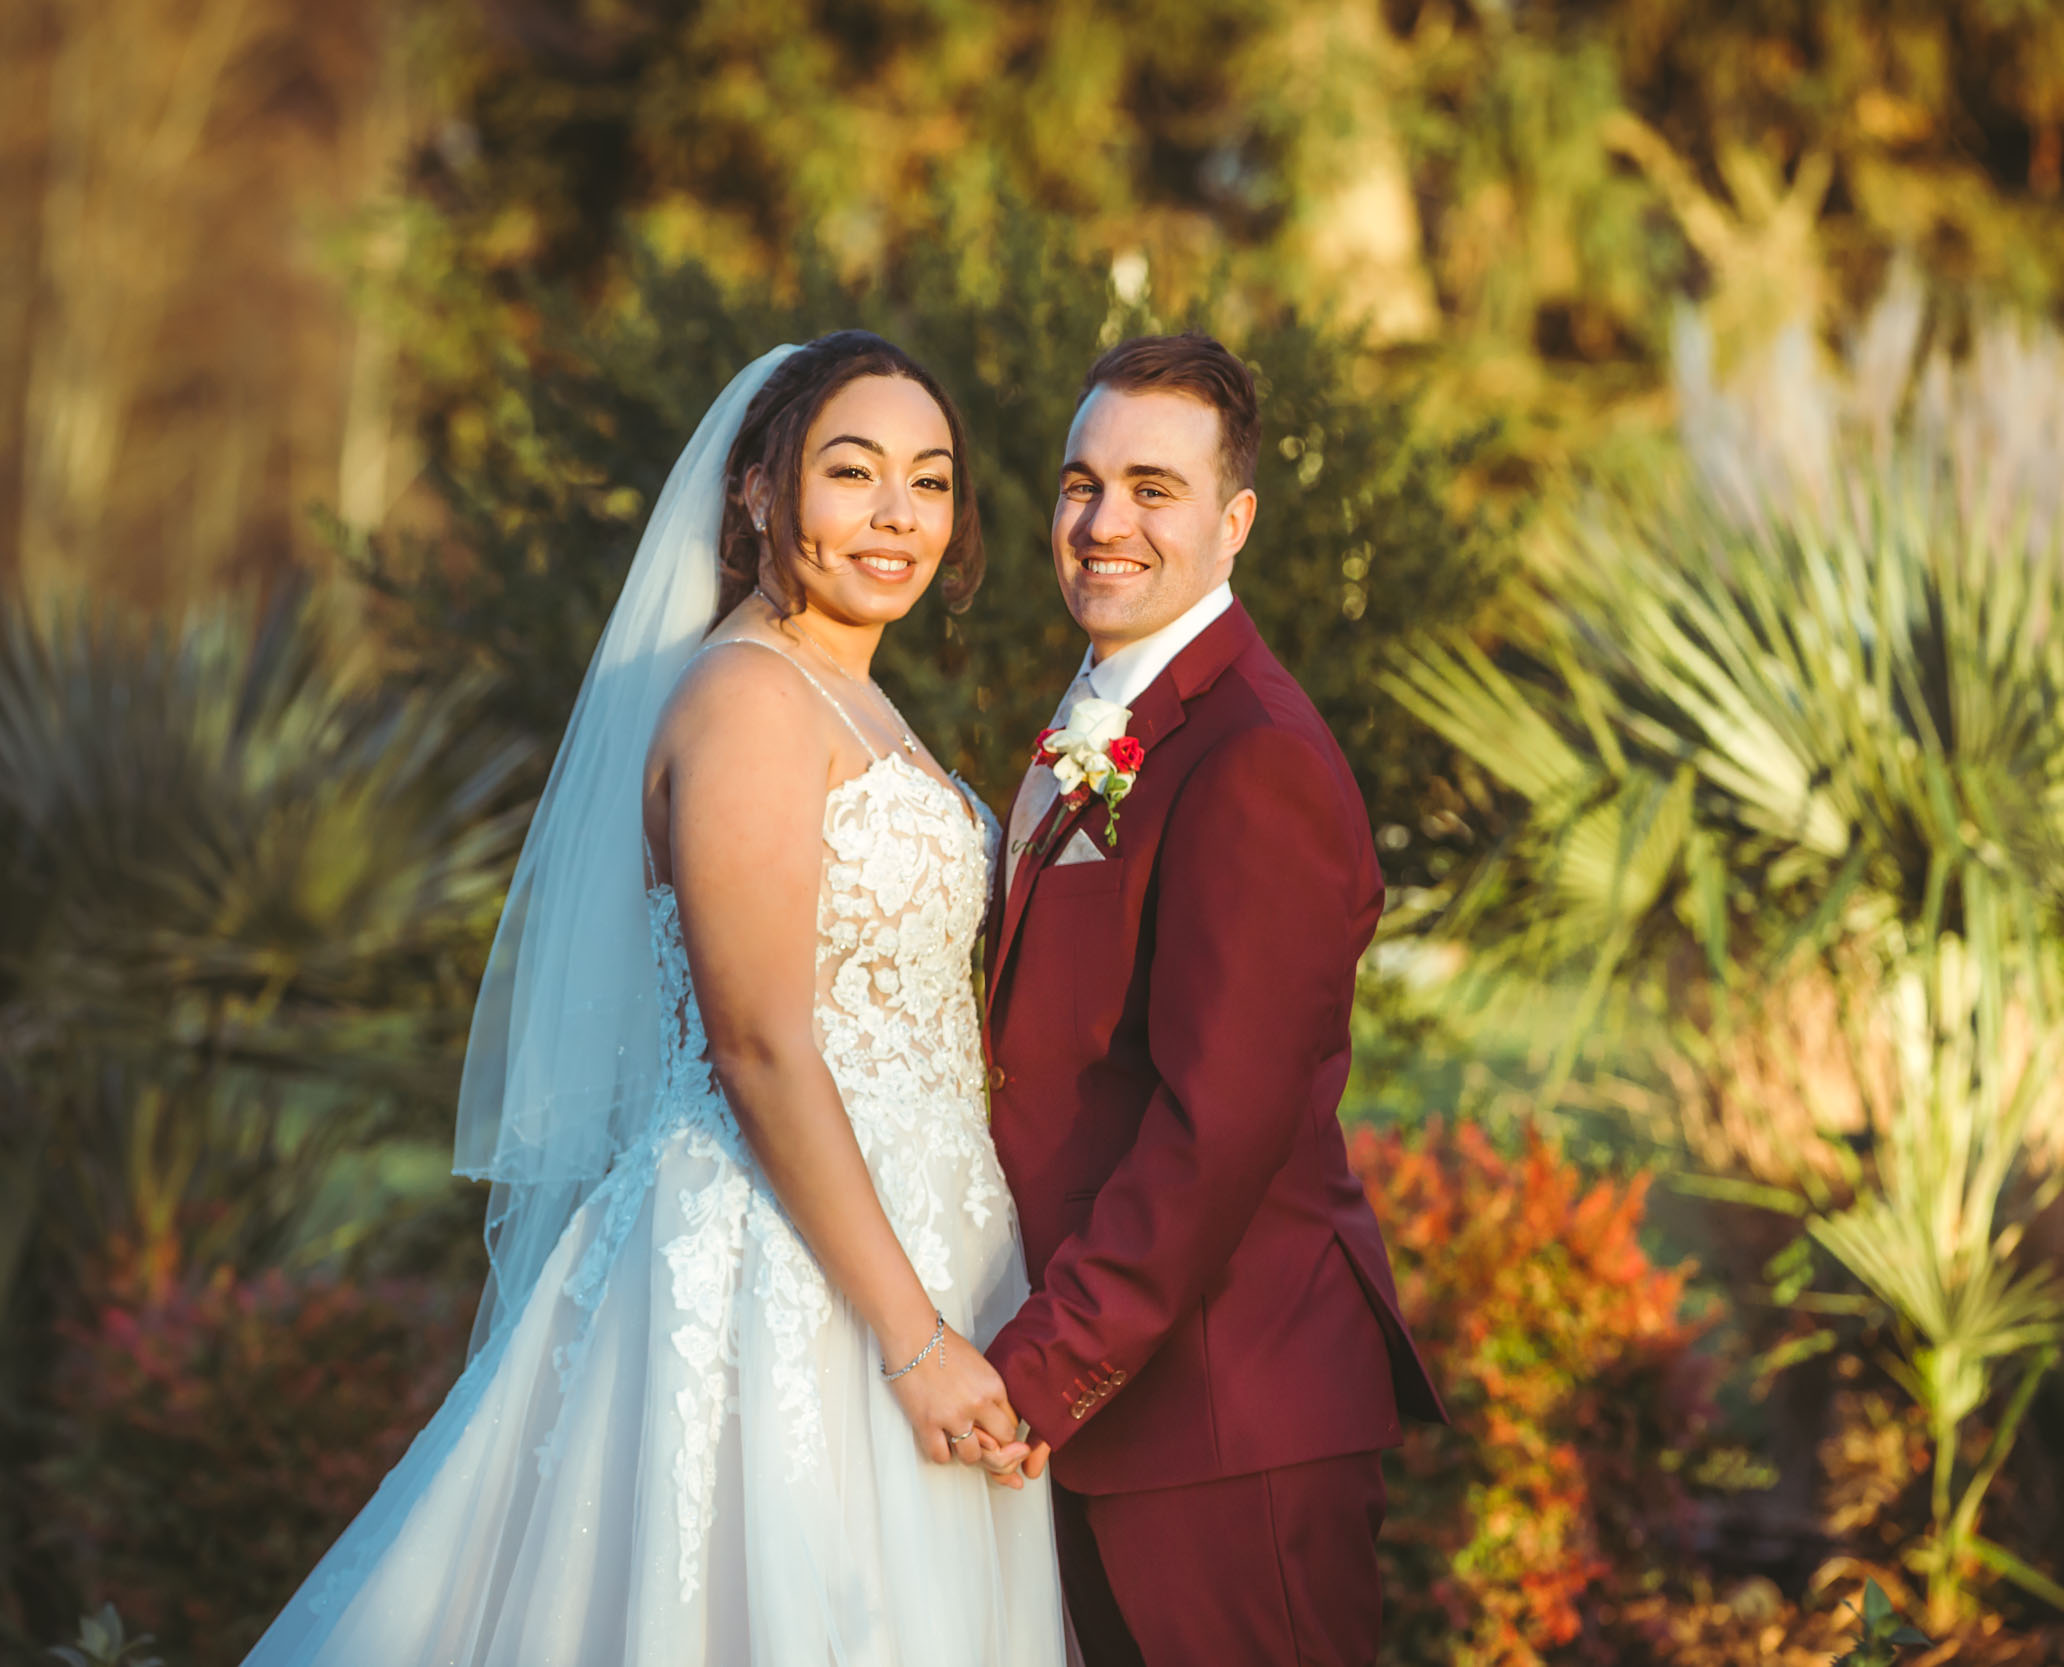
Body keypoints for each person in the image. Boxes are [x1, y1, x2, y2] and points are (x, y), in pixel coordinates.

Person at [242, 333, 1065, 1666]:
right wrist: (916, 1345)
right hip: (786, 1268)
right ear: (754, 491)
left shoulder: (859, 698)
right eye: (852, 472)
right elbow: (756, 1044)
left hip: (927, 1236)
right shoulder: (748, 695)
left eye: (930, 479)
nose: (898, 515)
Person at [981, 331, 1449, 1667]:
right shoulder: (1113, 709)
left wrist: (1042, 1373)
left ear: (1235, 521)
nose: (1103, 521)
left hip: (1227, 1425)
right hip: (1130, 1410)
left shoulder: (1255, 759)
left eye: (1151, 487)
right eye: (1081, 483)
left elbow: (1216, 1132)